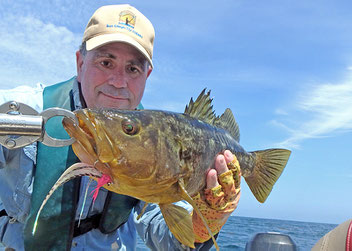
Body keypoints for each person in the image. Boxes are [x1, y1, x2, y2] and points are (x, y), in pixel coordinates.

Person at [0, 4, 241, 250]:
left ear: (146, 76)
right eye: (106, 62)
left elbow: (163, 234)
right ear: (80, 63)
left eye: (133, 69)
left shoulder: (154, 141)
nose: (118, 82)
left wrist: (202, 228)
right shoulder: (22, 111)